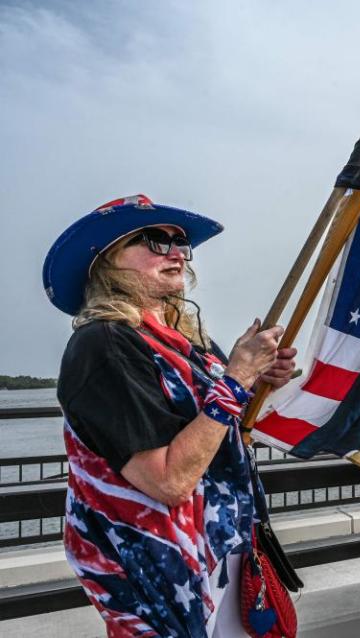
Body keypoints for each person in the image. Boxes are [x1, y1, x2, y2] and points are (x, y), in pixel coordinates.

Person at [43, 194, 297, 636]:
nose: (177, 252)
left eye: (180, 243)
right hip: (163, 578)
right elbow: (169, 481)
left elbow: (225, 426)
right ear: (105, 262)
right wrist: (236, 378)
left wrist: (258, 380)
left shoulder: (187, 343)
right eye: (153, 241)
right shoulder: (105, 345)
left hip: (220, 557)